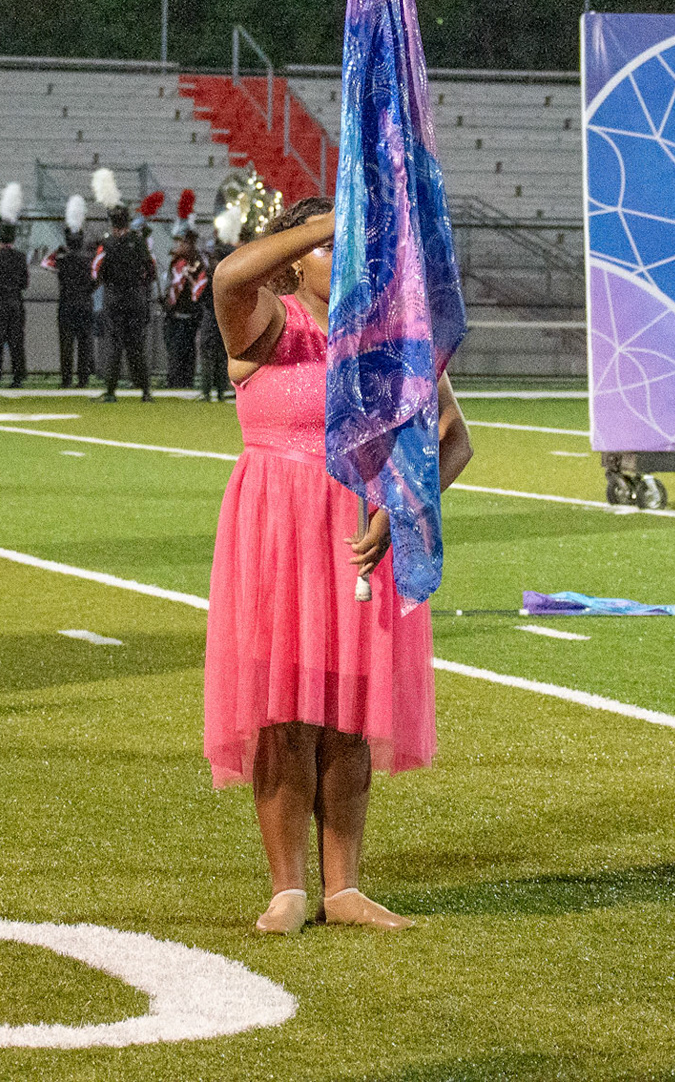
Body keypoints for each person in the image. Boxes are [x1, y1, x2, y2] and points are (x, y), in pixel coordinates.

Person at [206, 196, 470, 934]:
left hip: (358, 536)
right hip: (277, 529)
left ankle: (345, 887)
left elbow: (454, 438)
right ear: (295, 259)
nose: (346, 255)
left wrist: (401, 508)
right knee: (284, 710)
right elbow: (228, 275)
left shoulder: (387, 337)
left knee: (351, 711)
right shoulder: (266, 322)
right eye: (329, 247)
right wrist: (338, 217)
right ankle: (288, 888)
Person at [95, 203, 156, 402]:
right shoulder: (138, 241)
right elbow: (150, 269)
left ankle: (111, 391)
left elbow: (99, 271)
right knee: (137, 345)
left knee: (114, 346)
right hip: (135, 298)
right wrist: (140, 286)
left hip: (114, 298)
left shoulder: (108, 243)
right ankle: (145, 390)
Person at [43, 206, 95, 389]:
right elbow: (97, 276)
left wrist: (58, 251)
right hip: (85, 303)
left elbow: (45, 263)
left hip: (66, 304)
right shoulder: (89, 259)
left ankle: (66, 379)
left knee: (66, 343)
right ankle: (83, 379)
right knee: (84, 343)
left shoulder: (62, 259)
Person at [0, 221, 30, 387]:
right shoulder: (21, 257)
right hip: (15, 302)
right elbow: (25, 283)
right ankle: (18, 377)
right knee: (16, 340)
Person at [163, 227, 205, 390]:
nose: (178, 246)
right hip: (174, 311)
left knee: (183, 347)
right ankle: (175, 378)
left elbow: (197, 288)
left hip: (188, 312)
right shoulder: (176, 262)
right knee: (174, 346)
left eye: (181, 242)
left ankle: (183, 379)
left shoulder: (196, 263)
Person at [196, 219, 233, 402]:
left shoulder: (214, 275)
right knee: (221, 356)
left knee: (209, 356)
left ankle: (207, 391)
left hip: (212, 317)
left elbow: (200, 296)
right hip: (226, 318)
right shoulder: (230, 276)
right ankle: (220, 391)